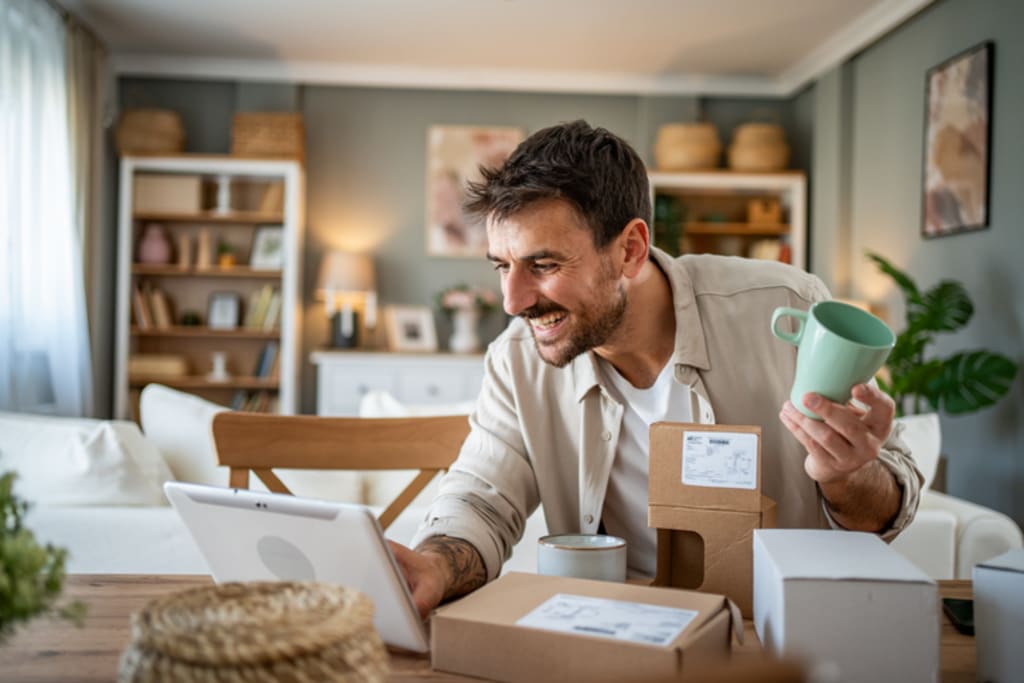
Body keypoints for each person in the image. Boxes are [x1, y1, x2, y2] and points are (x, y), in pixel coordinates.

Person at [390, 120, 921, 619]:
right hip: (614, 636)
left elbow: (887, 513)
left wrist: (850, 476)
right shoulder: (516, 359)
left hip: (784, 636)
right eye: (503, 266)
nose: (512, 301)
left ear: (631, 249)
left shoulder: (787, 309)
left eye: (544, 265)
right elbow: (481, 498)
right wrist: (435, 565)